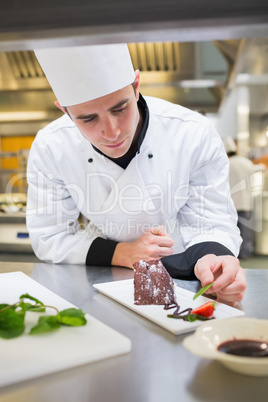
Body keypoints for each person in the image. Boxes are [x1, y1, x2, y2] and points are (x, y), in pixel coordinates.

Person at [26, 44, 246, 306]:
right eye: (88, 119)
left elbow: (212, 218)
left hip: (186, 274)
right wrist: (123, 253)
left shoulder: (192, 132)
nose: (112, 132)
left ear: (137, 85)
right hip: (101, 276)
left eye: (120, 109)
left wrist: (215, 257)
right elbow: (50, 235)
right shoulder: (51, 146)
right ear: (64, 110)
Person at [222, 136, 256, 259]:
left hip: (231, 202)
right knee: (246, 230)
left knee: (232, 230)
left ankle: (233, 254)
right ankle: (246, 253)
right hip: (246, 201)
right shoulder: (247, 162)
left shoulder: (226, 163)